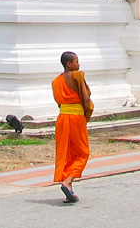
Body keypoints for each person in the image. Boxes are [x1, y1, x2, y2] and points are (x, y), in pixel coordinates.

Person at [52, 50, 92, 203]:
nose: (79, 64)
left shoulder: (55, 81)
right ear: (69, 64)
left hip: (62, 118)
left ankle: (69, 189)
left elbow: (58, 102)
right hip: (76, 118)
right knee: (83, 152)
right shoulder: (78, 76)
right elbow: (86, 98)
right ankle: (68, 181)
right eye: (76, 61)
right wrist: (86, 113)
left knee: (67, 152)